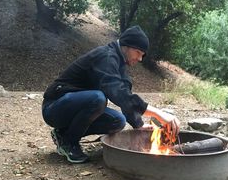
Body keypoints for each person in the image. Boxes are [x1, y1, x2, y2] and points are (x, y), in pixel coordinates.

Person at [42, 25, 180, 163]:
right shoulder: (106, 56)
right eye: (138, 52)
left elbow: (125, 96)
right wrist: (158, 114)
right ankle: (69, 142)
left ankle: (64, 134)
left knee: (118, 121)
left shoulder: (120, 64)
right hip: (54, 107)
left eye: (142, 55)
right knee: (98, 99)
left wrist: (138, 124)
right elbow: (117, 92)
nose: (140, 59)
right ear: (126, 46)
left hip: (72, 107)